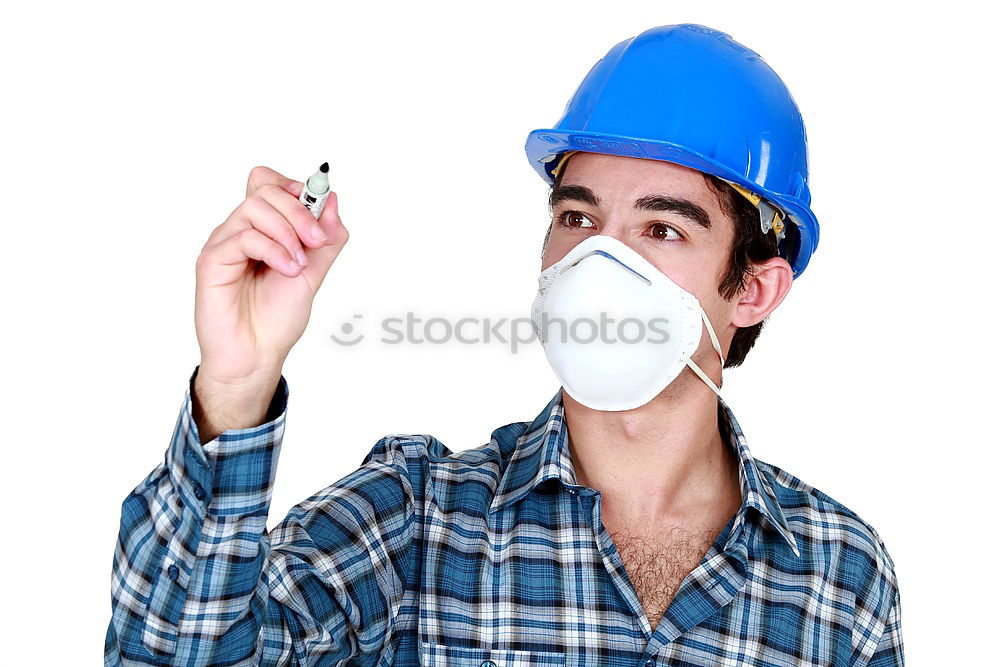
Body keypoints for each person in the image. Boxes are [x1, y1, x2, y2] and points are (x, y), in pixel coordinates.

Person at [105, 23, 903, 666]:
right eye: (579, 218)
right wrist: (235, 387)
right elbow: (175, 653)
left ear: (753, 288)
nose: (600, 263)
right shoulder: (419, 522)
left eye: (661, 228)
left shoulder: (839, 576)